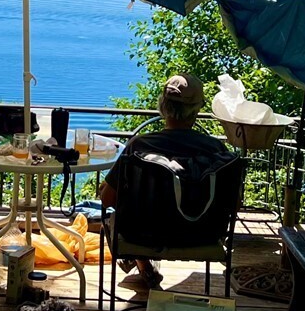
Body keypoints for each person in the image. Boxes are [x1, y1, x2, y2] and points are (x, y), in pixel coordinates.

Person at [100, 73, 239, 290]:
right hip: (203, 237)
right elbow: (233, 203)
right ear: (197, 109)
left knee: (115, 215)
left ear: (162, 105)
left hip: (145, 237)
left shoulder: (140, 146)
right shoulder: (216, 150)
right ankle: (144, 265)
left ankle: (141, 261)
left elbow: (107, 199)